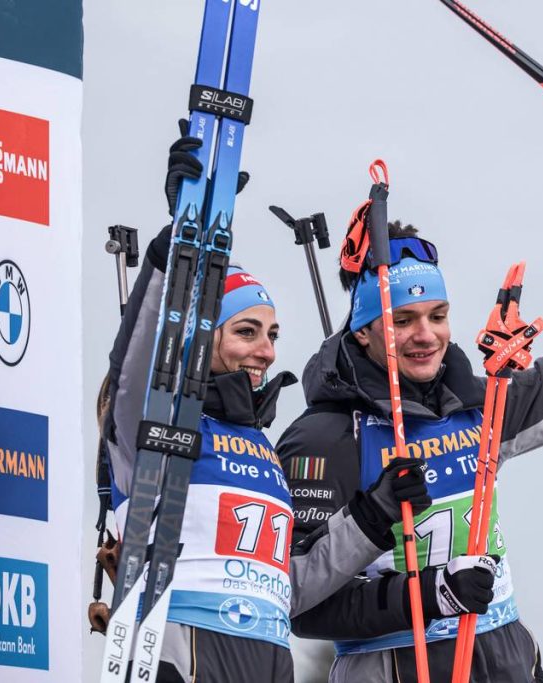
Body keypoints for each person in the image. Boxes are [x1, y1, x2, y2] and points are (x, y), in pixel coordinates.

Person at [276, 170, 543, 682]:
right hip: (396, 667)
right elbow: (296, 600)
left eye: (438, 315)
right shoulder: (325, 437)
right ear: (363, 330)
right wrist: (427, 594)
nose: (426, 336)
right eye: (402, 320)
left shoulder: (478, 405)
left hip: (504, 660)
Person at [100, 129, 443, 682]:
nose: (266, 350)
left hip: (268, 659)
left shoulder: (263, 449)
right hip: (185, 651)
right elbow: (134, 362)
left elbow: (291, 586)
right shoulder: (155, 418)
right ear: (199, 334)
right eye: (246, 331)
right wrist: (177, 249)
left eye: (273, 334)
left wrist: (371, 516)